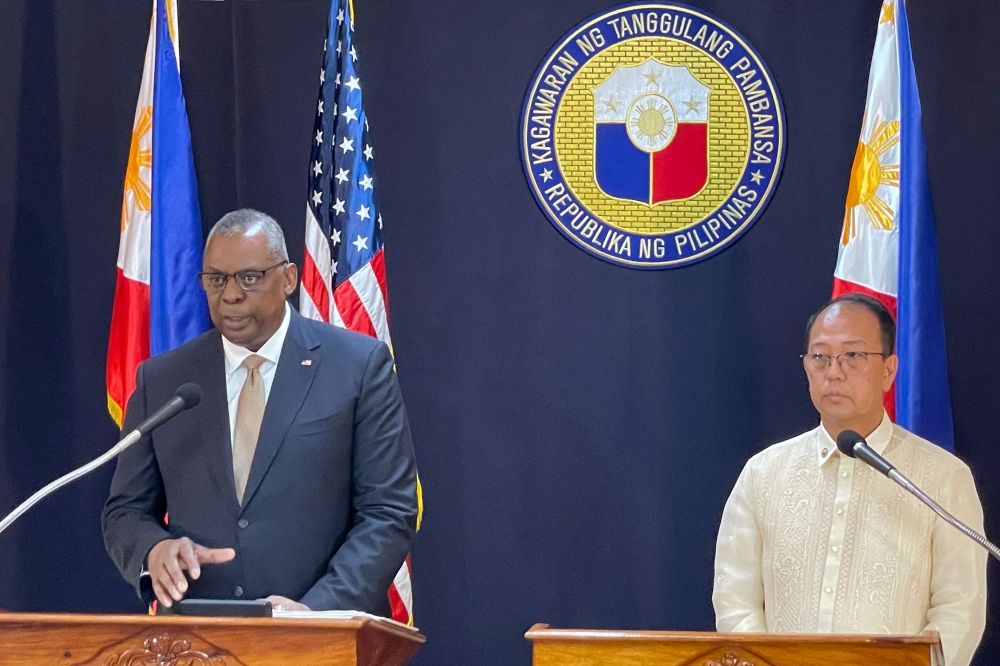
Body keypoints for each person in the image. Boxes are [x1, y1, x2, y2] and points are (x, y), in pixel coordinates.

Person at [102, 209, 418, 615]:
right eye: (216, 280)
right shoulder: (164, 380)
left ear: (288, 278)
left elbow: (388, 511)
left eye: (249, 278)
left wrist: (318, 610)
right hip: (198, 637)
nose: (230, 295)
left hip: (323, 634)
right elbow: (125, 511)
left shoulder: (357, 367)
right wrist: (153, 549)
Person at [713, 293, 986, 666]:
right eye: (820, 357)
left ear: (889, 370)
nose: (834, 372)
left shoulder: (942, 478)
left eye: (853, 356)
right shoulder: (763, 474)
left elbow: (959, 609)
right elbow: (735, 600)